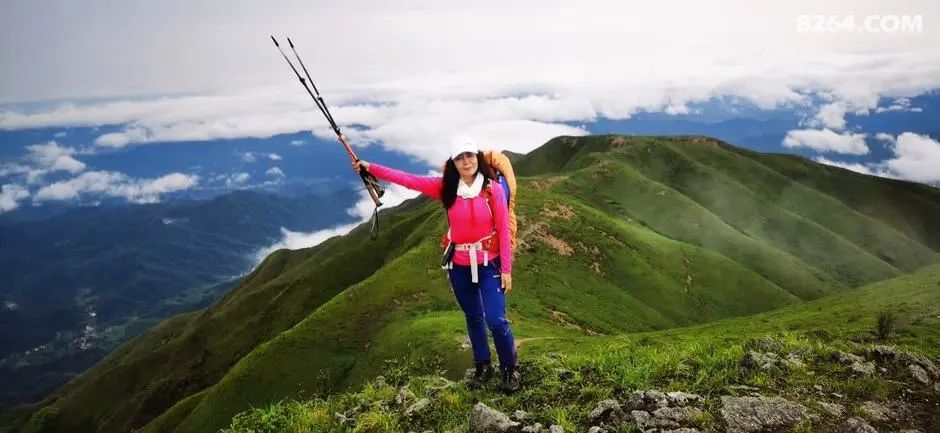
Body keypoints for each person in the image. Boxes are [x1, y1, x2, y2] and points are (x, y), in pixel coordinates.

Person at [354, 136, 520, 393]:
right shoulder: (446, 188)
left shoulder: (493, 190)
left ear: (477, 158)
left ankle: (509, 369)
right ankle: (483, 365)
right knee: (473, 316)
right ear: (453, 163)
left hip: (489, 264)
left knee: (496, 320)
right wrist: (371, 167)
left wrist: (507, 270)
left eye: (469, 156)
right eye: (460, 158)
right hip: (459, 265)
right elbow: (407, 180)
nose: (466, 162)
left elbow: (504, 232)